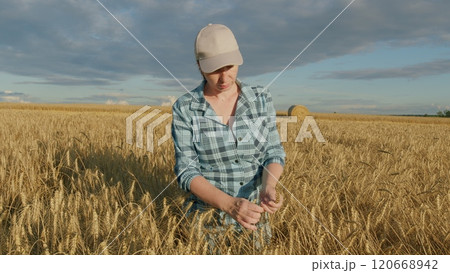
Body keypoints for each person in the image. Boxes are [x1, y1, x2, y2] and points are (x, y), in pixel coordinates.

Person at [171, 24, 286, 247]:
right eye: (215, 70)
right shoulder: (185, 108)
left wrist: (268, 186)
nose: (224, 78)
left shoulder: (260, 98)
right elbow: (186, 171)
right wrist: (230, 205)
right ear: (199, 67)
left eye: (230, 67)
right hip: (206, 226)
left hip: (255, 220)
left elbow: (273, 152)